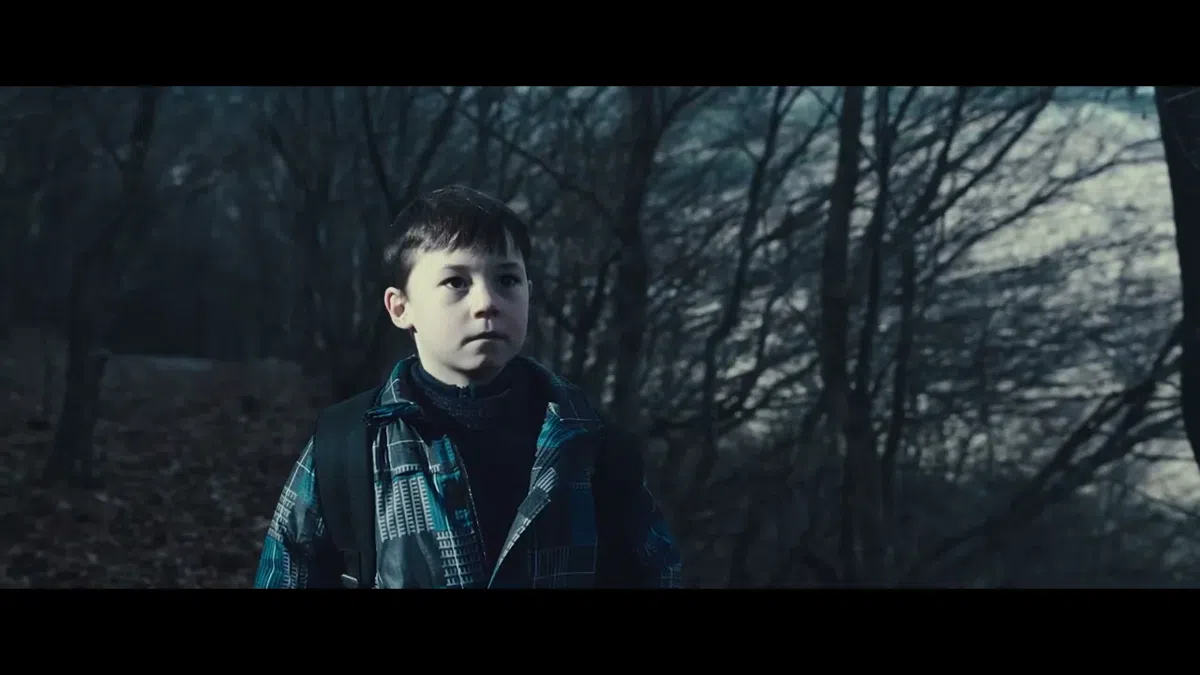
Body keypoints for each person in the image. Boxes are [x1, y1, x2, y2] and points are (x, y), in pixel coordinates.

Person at [253, 185, 683, 588]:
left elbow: (658, 574)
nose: (487, 303)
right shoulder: (347, 446)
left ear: (529, 293)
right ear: (400, 308)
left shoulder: (592, 446)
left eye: (507, 280)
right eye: (456, 282)